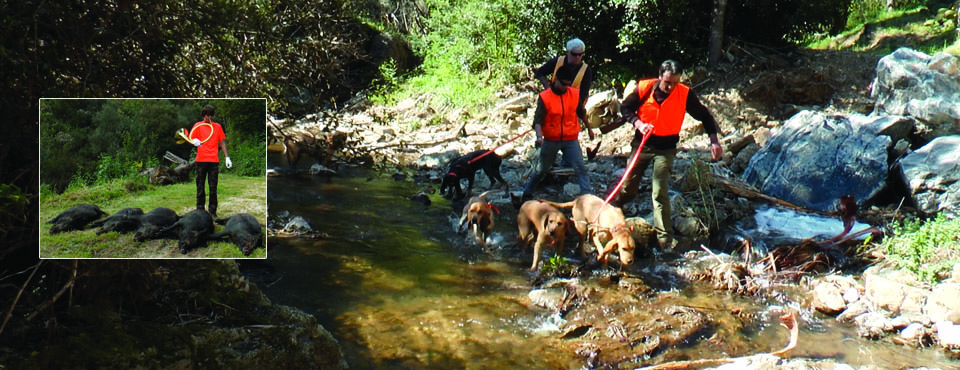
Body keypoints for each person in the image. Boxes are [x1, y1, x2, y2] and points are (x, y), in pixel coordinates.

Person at [614, 60, 723, 249]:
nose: (671, 87)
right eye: (667, 82)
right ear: (659, 76)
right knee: (628, 187)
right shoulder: (644, 88)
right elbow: (625, 108)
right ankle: (616, 207)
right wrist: (638, 123)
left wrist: (714, 141)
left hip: (666, 149)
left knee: (659, 191)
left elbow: (705, 115)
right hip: (642, 145)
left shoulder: (684, 94)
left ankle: (665, 239)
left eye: (675, 82)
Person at [521, 64, 593, 199]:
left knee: (580, 167)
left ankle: (587, 197)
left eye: (568, 84)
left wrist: (589, 129)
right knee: (541, 170)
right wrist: (539, 136)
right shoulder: (545, 97)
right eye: (563, 84)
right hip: (550, 139)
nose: (565, 87)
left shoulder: (574, 94)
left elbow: (581, 112)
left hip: (570, 138)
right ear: (556, 80)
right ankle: (527, 192)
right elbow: (538, 120)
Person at [189, 105, 231, 218]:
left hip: (213, 161)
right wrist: (194, 141)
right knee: (200, 186)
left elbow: (222, 142)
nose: (210, 117)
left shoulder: (217, 127)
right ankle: (200, 210)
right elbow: (190, 139)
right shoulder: (197, 126)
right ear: (203, 115)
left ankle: (212, 211)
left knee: (213, 187)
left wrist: (227, 157)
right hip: (201, 161)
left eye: (211, 115)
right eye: (207, 115)